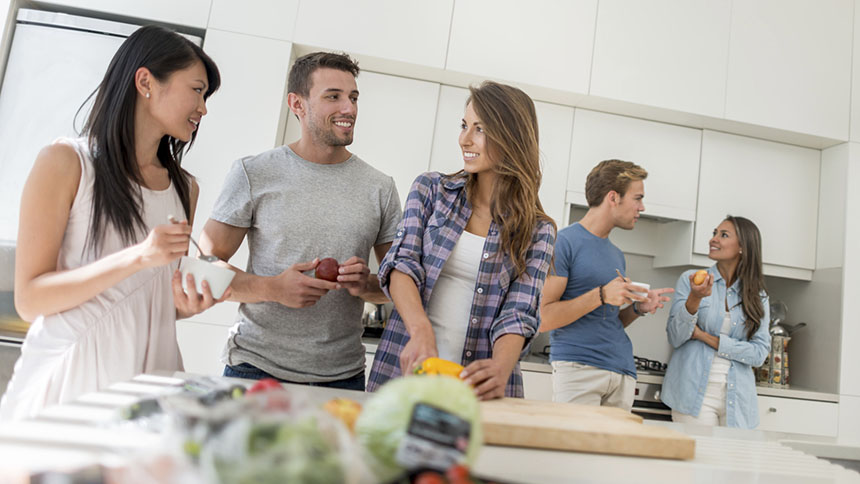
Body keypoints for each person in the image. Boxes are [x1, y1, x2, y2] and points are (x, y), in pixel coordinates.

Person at [0, 26, 223, 421]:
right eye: (196, 90)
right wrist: (138, 256)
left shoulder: (184, 188)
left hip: (151, 383)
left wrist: (186, 306)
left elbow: (144, 299)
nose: (203, 108)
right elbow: (30, 300)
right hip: (71, 384)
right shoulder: (67, 162)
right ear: (145, 82)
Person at [200, 52, 401, 391]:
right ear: (297, 103)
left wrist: (366, 284)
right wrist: (272, 288)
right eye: (333, 96)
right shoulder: (254, 172)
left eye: (353, 98)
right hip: (254, 369)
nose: (349, 109)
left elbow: (399, 284)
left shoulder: (380, 187)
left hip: (343, 378)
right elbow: (205, 268)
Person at [367, 81, 557, 400]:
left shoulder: (538, 229)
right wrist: (420, 329)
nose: (464, 139)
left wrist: (500, 366)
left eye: (480, 129)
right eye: (464, 125)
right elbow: (401, 265)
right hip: (405, 374)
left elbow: (519, 311)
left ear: (511, 137)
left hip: (478, 390)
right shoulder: (431, 190)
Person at [539, 160, 673, 411]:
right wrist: (601, 294)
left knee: (614, 452)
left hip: (621, 370)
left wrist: (638, 309)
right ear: (613, 197)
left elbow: (608, 320)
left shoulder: (616, 254)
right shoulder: (563, 243)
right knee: (575, 450)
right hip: (579, 370)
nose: (642, 207)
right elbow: (544, 317)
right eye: (637, 198)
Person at [662, 216, 770, 428]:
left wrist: (704, 336)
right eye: (714, 233)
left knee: (732, 461)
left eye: (723, 235)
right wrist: (695, 297)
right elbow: (675, 336)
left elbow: (758, 354)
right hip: (693, 394)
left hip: (738, 397)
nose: (714, 239)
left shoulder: (758, 296)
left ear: (742, 247)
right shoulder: (691, 280)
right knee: (700, 458)